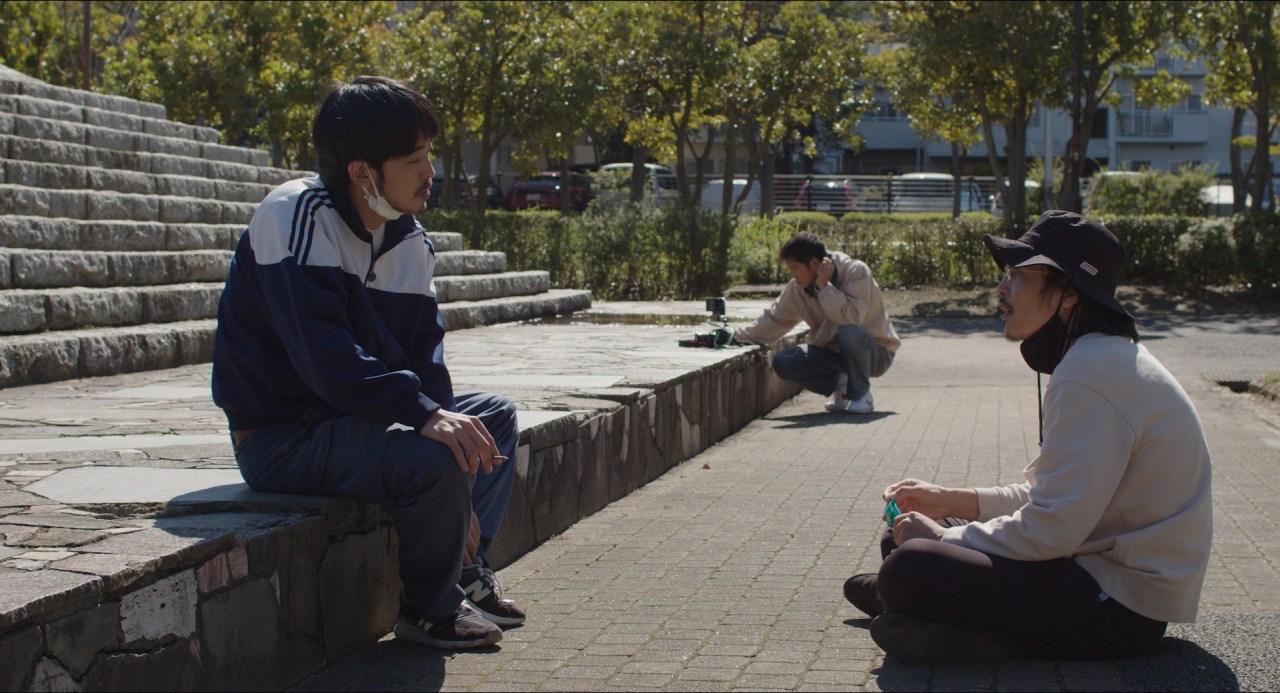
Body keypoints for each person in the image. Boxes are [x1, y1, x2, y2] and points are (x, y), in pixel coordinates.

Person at [211, 76, 524, 650]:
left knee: (491, 419)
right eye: (414, 159)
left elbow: (427, 362)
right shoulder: (295, 215)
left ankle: (465, 568)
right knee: (434, 457)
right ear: (362, 172)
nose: (430, 171)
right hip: (283, 438)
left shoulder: (410, 239)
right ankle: (429, 610)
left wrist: (444, 427)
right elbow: (325, 360)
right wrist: (427, 422)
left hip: (356, 422)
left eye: (428, 154)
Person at [843, 210, 1213, 664]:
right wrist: (949, 501)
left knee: (910, 562)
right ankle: (930, 617)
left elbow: (1052, 529)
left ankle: (911, 603)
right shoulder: (1101, 357)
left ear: (1069, 293)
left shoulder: (1090, 374)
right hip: (1096, 574)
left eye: (1018, 275)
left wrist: (942, 540)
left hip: (1120, 609)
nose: (1002, 288)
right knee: (902, 532)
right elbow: (1052, 498)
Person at [732, 232, 900, 414]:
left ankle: (861, 396)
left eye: (794, 268)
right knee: (784, 361)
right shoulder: (798, 286)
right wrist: (737, 336)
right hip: (835, 354)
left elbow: (852, 318)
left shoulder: (856, 272)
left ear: (813, 263)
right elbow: (774, 319)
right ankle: (842, 385)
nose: (793, 275)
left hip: (876, 354)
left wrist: (824, 288)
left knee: (849, 332)